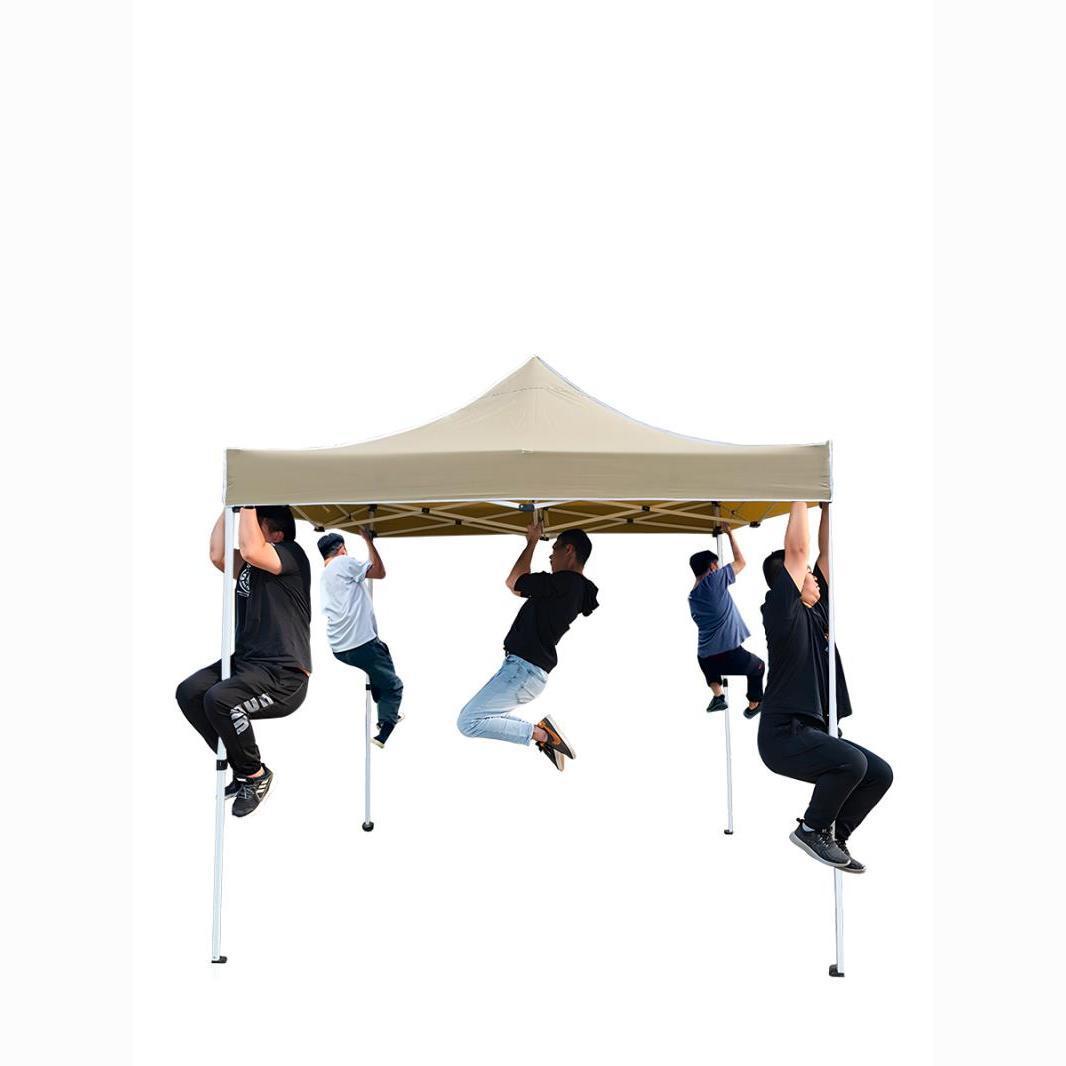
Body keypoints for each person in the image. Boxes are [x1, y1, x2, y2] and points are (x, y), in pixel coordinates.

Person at [757, 502, 892, 873]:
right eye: (806, 573)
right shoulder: (782, 612)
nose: (814, 577)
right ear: (790, 581)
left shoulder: (817, 608)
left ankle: (834, 835)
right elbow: (798, 550)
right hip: (783, 735)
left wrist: (826, 506)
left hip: (813, 731)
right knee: (852, 763)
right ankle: (812, 829)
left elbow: (825, 553)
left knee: (878, 774)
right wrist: (799, 494)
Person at [175, 505, 312, 817]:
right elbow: (218, 555)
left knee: (220, 700)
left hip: (283, 675)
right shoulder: (253, 564)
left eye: (255, 525)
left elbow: (251, 549)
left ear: (276, 535)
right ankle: (241, 768)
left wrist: (249, 499)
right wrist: (232, 504)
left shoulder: (292, 555)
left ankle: (255, 775)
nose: (245, 531)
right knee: (190, 692)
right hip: (247, 663)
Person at [457, 521, 599, 771]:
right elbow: (518, 587)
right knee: (474, 719)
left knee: (469, 722)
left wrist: (531, 541)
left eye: (554, 549)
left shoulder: (565, 582)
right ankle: (541, 734)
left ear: (569, 550)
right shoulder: (573, 589)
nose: (550, 556)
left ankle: (543, 735)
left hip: (523, 670)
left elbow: (514, 581)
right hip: (526, 671)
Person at [318, 528, 404, 748]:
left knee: (381, 659)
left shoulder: (325, 574)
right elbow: (379, 572)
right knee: (393, 685)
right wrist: (369, 542)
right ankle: (385, 729)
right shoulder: (343, 562)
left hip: (340, 647)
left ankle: (385, 709)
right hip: (360, 644)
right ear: (342, 549)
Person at [688, 528, 763, 718]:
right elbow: (741, 562)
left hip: (705, 657)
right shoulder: (715, 580)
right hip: (728, 652)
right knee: (759, 667)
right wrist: (730, 534)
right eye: (717, 564)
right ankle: (754, 705)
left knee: (710, 667)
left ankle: (718, 696)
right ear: (713, 566)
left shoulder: (692, 597)